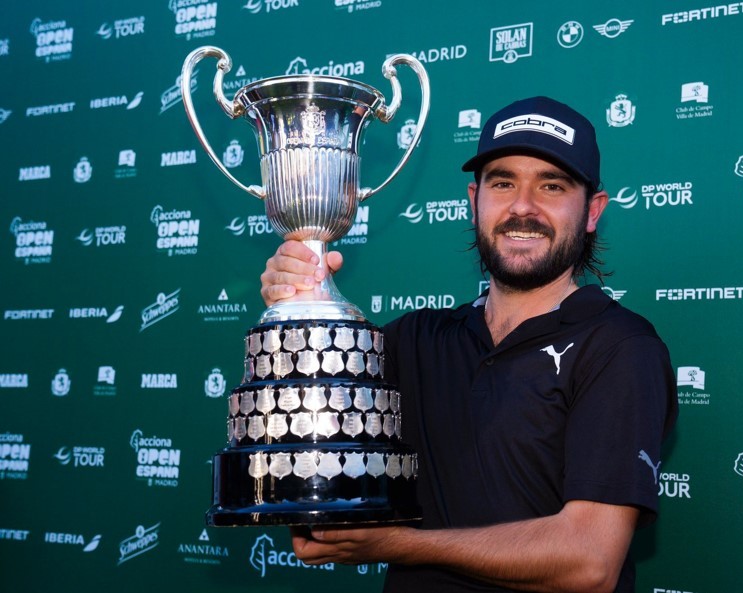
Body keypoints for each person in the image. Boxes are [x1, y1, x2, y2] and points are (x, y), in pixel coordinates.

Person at [260, 96, 678, 593]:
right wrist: (299, 310)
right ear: (474, 199)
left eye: (552, 185)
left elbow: (589, 562)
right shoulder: (412, 341)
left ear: (592, 211)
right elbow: (305, 459)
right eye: (504, 183)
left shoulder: (620, 348)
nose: (523, 207)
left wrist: (396, 544)